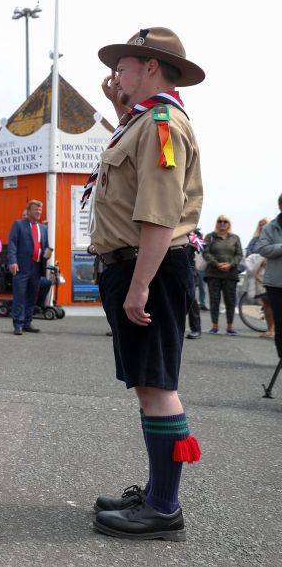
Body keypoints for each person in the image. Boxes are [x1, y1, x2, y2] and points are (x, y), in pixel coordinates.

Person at [88, 27, 205, 541]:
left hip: (148, 265)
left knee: (157, 388)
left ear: (150, 68)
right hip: (138, 264)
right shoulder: (142, 120)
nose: (115, 75)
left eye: (123, 66)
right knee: (148, 386)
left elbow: (159, 214)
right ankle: (158, 493)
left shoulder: (161, 122)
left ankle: (163, 507)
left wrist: (139, 286)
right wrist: (118, 107)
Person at [7, 200, 49, 335]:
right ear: (29, 211)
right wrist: (12, 262)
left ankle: (27, 323)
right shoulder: (19, 224)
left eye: (40, 210)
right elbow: (12, 244)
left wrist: (48, 253)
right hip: (21, 266)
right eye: (36, 209)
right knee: (19, 296)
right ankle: (17, 324)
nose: (38, 212)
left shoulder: (43, 228)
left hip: (37, 267)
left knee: (32, 296)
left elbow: (45, 246)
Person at [202, 215, 243, 335]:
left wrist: (231, 264)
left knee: (230, 301)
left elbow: (239, 255)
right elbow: (206, 252)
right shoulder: (210, 237)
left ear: (229, 224)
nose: (222, 223)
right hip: (213, 274)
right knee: (214, 300)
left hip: (230, 274)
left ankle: (230, 326)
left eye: (225, 221)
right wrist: (216, 264)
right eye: (220, 221)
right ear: (217, 223)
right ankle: (214, 326)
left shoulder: (235, 238)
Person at [256, 193, 282, 357]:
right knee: (280, 323)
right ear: (280, 206)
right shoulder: (270, 227)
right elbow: (263, 249)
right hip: (275, 284)